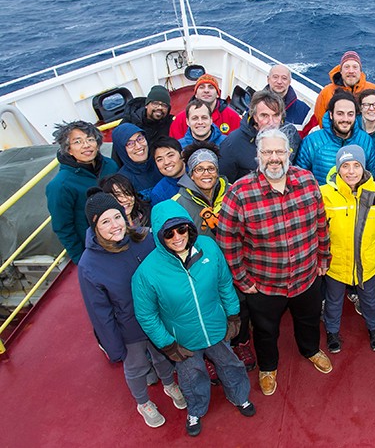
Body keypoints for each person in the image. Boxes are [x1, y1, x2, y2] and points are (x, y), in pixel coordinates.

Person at [217, 128, 333, 398]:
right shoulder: (239, 193)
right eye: (267, 152)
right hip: (265, 285)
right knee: (266, 331)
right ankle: (268, 367)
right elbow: (228, 242)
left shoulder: (307, 181)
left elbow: (320, 223)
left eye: (279, 151)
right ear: (258, 156)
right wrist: (243, 281)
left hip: (306, 277)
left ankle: (311, 349)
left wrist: (323, 257)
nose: (274, 158)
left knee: (309, 320)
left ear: (289, 153)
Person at [132, 200, 256, 437]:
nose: (177, 237)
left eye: (182, 229)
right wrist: (168, 344)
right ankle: (196, 410)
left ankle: (240, 396)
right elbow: (146, 315)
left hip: (216, 327)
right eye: (168, 233)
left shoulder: (208, 246)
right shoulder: (147, 272)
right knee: (191, 375)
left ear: (190, 228)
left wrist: (232, 314)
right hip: (183, 339)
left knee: (230, 364)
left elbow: (224, 283)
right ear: (159, 236)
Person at [78, 188, 185, 428]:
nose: (115, 225)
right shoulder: (89, 264)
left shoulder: (144, 238)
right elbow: (99, 312)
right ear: (94, 227)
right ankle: (143, 402)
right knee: (136, 367)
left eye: (117, 216)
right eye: (105, 221)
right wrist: (114, 348)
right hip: (129, 328)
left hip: (158, 319)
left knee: (163, 356)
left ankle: (169, 384)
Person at [320, 145, 375, 354]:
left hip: (367, 261)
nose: (351, 171)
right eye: (346, 166)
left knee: (369, 298)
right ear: (338, 168)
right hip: (336, 262)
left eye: (356, 165)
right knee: (333, 300)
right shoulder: (325, 194)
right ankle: (332, 331)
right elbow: (319, 228)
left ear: (364, 167)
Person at [46, 120, 118, 263]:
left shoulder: (110, 165)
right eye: (77, 142)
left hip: (120, 232)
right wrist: (82, 259)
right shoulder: (61, 185)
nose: (86, 145)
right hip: (97, 249)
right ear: (68, 149)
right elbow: (63, 227)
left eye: (90, 139)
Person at [219, 88, 301, 182]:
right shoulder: (233, 143)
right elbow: (224, 182)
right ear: (255, 117)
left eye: (276, 115)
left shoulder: (291, 134)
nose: (271, 122)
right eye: (264, 116)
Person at [296, 91, 375, 185]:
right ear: (331, 115)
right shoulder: (312, 142)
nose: (345, 119)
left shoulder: (365, 141)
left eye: (350, 114)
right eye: (340, 113)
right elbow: (300, 179)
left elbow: (371, 179)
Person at [172, 143, 228, 239]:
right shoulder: (177, 204)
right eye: (200, 169)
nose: (206, 174)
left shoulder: (233, 193)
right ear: (192, 175)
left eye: (211, 168)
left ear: (217, 172)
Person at [312, 51, 375, 129]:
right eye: (346, 67)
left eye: (355, 67)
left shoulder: (373, 89)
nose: (351, 71)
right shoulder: (326, 93)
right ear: (341, 71)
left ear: (360, 71)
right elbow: (320, 120)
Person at [169, 74, 241, 139]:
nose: (206, 90)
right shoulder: (180, 119)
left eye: (211, 87)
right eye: (202, 87)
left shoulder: (232, 117)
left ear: (218, 94)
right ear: (196, 94)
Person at [111, 123, 163, 202]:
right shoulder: (122, 181)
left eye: (140, 139)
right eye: (130, 144)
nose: (138, 146)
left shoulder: (161, 162)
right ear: (121, 149)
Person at [265, 64, 312, 131]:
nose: (279, 82)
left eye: (284, 78)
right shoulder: (256, 106)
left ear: (289, 81)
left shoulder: (304, 110)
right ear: (268, 79)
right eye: (275, 77)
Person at [149, 137, 185, 205]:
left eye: (170, 155)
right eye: (160, 160)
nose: (166, 162)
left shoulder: (198, 175)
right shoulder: (159, 193)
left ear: (182, 154)